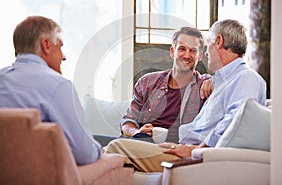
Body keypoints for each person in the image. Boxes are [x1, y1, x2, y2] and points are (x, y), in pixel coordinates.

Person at [105, 19, 267, 172]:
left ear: (218, 41)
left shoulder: (245, 77)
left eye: (205, 46)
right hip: (182, 149)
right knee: (109, 150)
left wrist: (195, 150)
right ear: (172, 51)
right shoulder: (224, 82)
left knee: (116, 148)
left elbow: (234, 121)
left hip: (197, 157)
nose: (207, 54)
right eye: (182, 49)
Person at [0, 16, 101, 165]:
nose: (64, 56)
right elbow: (85, 155)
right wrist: (100, 150)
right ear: (46, 45)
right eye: (60, 46)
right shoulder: (59, 86)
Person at [120, 27, 212, 143]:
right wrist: (137, 133)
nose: (187, 55)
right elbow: (128, 121)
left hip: (173, 151)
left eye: (193, 51)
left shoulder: (204, 86)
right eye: (182, 49)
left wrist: (215, 81)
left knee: (111, 150)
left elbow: (231, 83)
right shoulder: (147, 82)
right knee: (109, 145)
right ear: (172, 51)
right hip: (141, 143)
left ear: (200, 56)